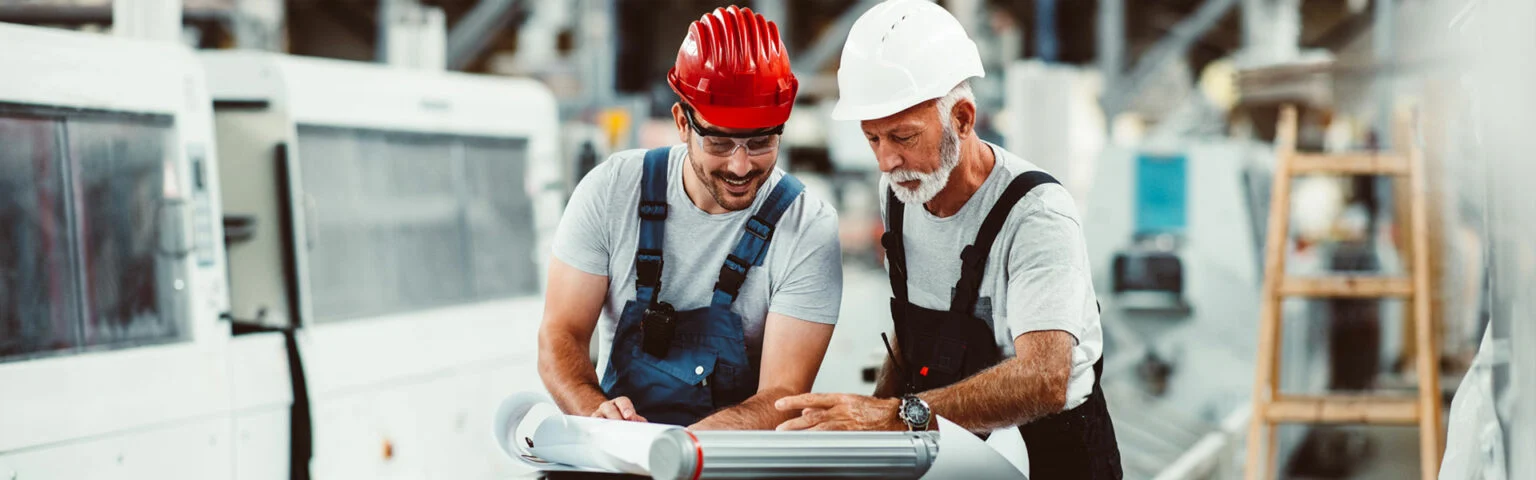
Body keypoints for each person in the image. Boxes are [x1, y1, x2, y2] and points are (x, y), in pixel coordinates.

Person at [773, 1, 1123, 477]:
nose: (886, 161)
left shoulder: (1036, 214)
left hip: (1051, 457)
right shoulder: (900, 194)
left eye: (902, 136)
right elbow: (917, 332)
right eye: (873, 138)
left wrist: (892, 417)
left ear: (961, 118)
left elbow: (1045, 379)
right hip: (950, 451)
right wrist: (869, 430)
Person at [538, 5, 842, 430]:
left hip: (734, 462)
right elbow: (560, 335)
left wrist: (679, 452)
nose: (740, 166)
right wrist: (594, 411)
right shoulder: (611, 191)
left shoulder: (807, 226)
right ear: (683, 121)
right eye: (719, 142)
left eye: (760, 142)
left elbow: (782, 395)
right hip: (621, 449)